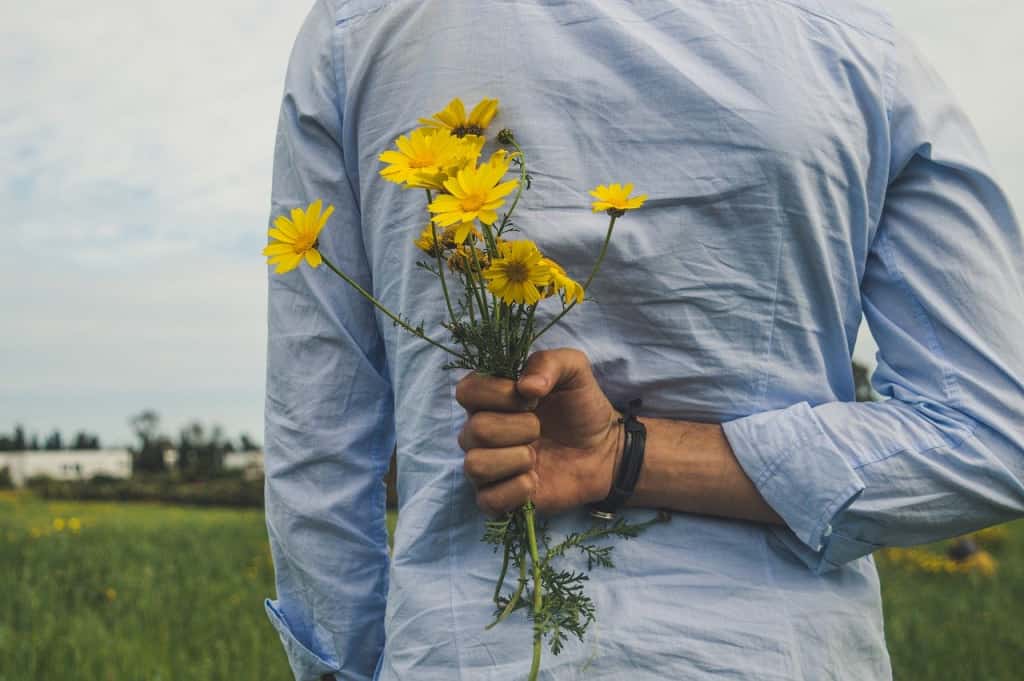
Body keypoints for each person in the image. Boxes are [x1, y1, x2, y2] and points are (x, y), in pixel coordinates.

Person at [262, 1, 1024, 679]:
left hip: (463, 650)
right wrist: (635, 456)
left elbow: (317, 445)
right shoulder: (859, 45)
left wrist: (618, 455)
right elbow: (994, 429)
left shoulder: (357, 30)